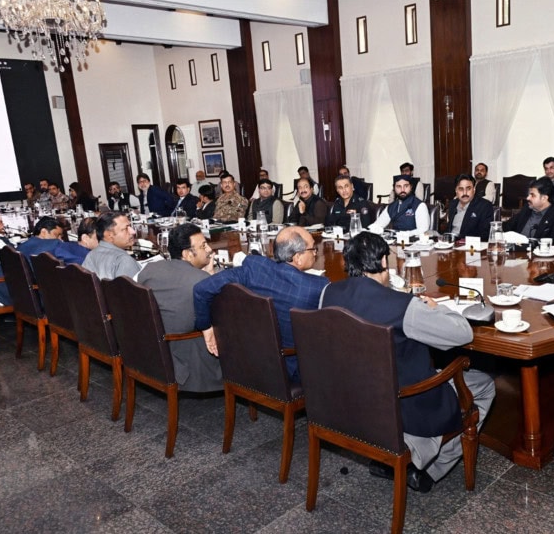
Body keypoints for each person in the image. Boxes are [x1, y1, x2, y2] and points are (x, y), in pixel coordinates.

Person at [321, 232, 495, 492]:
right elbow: (463, 334)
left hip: (353, 400)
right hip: (405, 403)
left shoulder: (328, 293)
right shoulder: (404, 306)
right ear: (383, 262)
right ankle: (428, 468)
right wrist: (437, 308)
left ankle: (397, 453)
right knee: (484, 384)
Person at [193, 226, 330, 382]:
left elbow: (201, 289)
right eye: (312, 249)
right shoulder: (317, 287)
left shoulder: (254, 268)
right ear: (297, 257)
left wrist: (206, 328)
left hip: (247, 362)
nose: (315, 253)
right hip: (289, 371)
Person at [138, 223, 223, 392]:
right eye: (203, 246)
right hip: (189, 364)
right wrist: (210, 278)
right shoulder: (200, 281)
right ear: (187, 254)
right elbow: (218, 315)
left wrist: (207, 275)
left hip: (150, 352)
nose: (209, 250)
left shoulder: (150, 269)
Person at [502, 177, 554, 246]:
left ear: (544, 198)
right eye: (529, 195)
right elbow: (507, 227)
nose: (528, 198)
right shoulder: (527, 208)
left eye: (532, 195)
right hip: (516, 250)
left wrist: (528, 242)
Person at [81, 211, 140, 280]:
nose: (133, 231)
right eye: (126, 229)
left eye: (130, 226)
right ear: (109, 235)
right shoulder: (124, 261)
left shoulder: (91, 255)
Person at [17, 216, 89, 265]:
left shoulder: (20, 247)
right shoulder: (54, 245)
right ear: (44, 232)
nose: (60, 239)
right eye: (57, 235)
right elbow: (83, 263)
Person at [446, 175, 493, 241]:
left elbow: (485, 235)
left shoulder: (484, 206)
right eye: (461, 189)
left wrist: (461, 241)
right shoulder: (453, 204)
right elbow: (448, 231)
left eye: (468, 189)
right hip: (450, 243)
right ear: (456, 191)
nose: (465, 193)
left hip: (470, 245)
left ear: (474, 189)